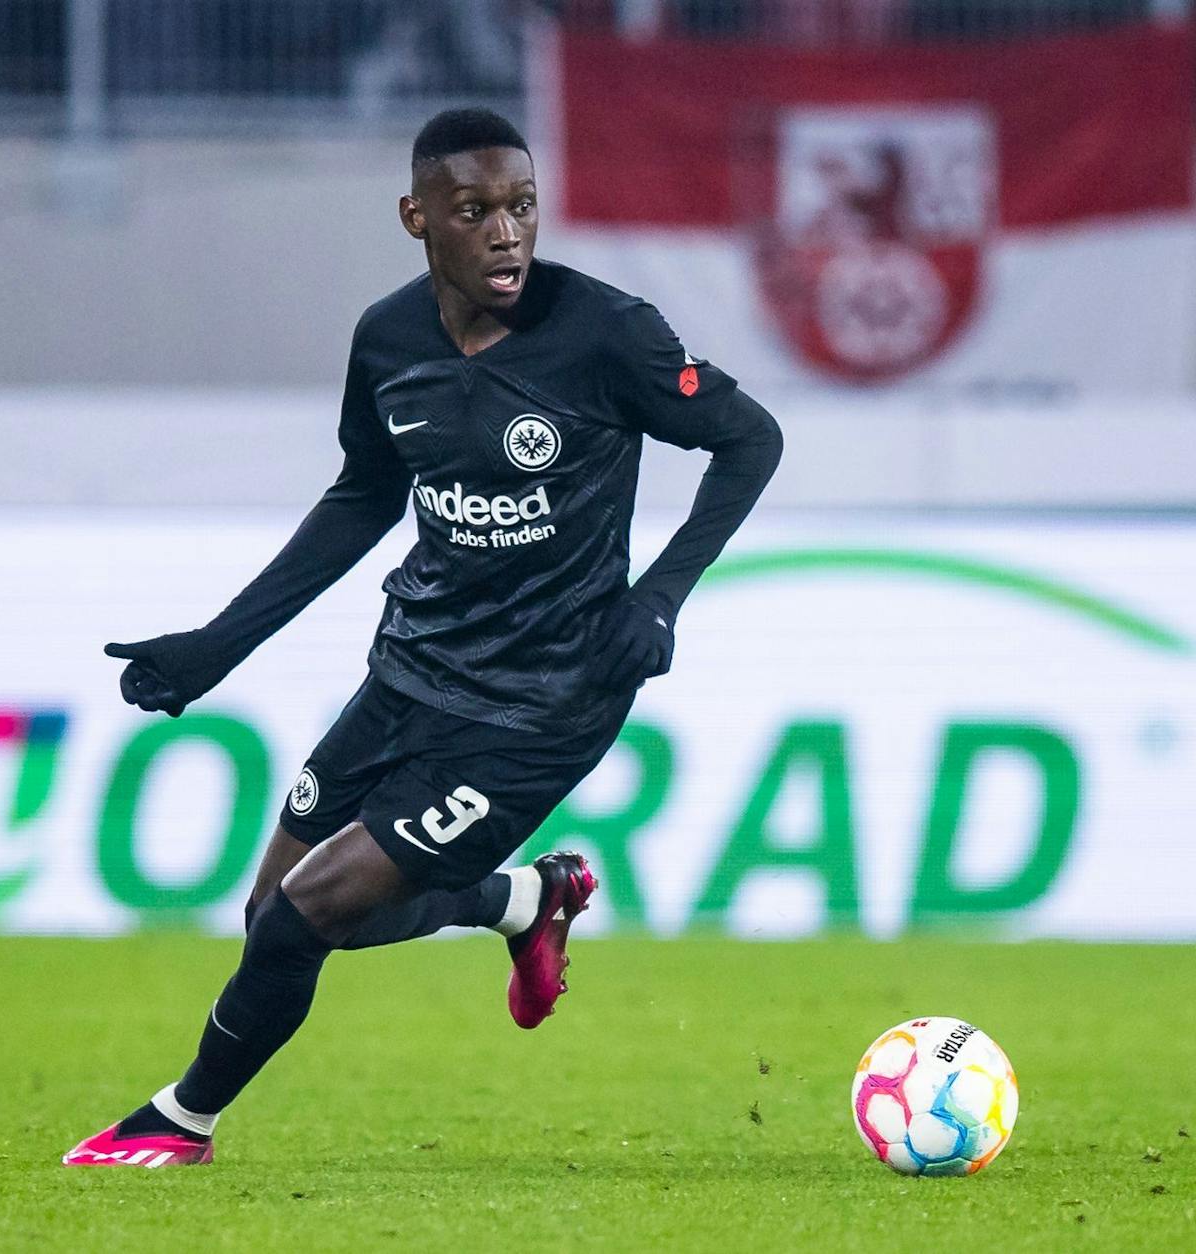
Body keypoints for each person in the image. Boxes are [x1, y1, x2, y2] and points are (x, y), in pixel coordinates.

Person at [64, 107, 784, 1168]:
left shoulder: (605, 333)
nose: (506, 232)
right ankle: (525, 900)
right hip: (409, 672)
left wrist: (660, 598)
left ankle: (179, 1123)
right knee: (271, 915)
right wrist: (220, 645)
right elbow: (363, 495)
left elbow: (750, 439)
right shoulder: (388, 340)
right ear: (417, 217)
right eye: (475, 210)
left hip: (544, 703)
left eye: (522, 206)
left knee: (305, 913)